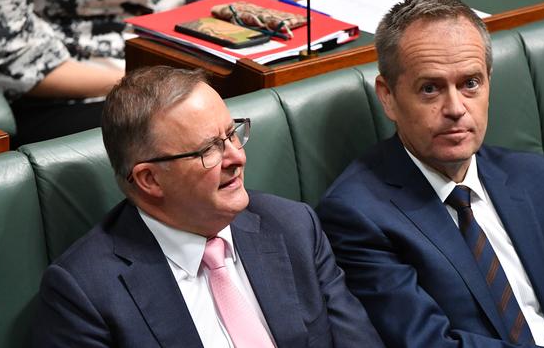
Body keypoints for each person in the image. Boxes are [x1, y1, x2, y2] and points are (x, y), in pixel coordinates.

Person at [316, 0, 544, 348]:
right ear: (387, 96)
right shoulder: (358, 216)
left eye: (470, 83)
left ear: (489, 82)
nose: (456, 108)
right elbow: (428, 343)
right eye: (430, 89)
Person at [32, 66, 384, 347]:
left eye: (232, 134)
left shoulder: (293, 227)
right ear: (149, 180)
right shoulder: (85, 293)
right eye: (208, 150)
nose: (237, 156)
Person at [0, 0, 240, 146]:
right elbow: (15, 55)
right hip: (75, 84)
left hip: (176, 52)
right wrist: (150, 80)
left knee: (241, 111)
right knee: (183, 135)